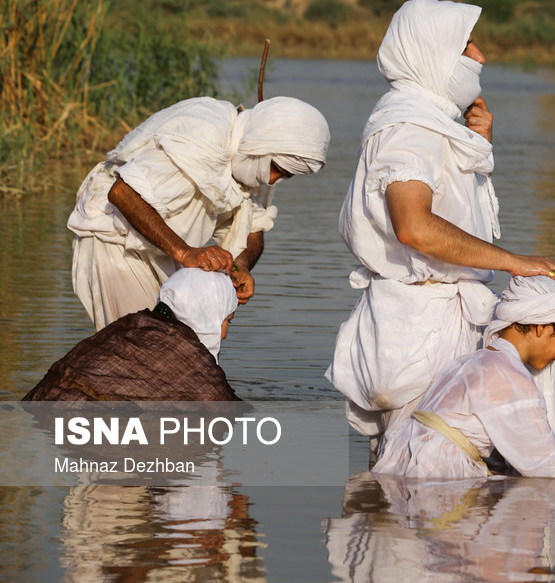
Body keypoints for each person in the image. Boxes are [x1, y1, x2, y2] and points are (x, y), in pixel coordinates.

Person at [326, 0, 555, 438]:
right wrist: (513, 262)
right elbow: (414, 226)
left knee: (420, 471)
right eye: (467, 45)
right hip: (421, 330)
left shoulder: (424, 123)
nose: (480, 56)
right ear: (431, 54)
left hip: (424, 320)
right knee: (424, 471)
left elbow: (444, 206)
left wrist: (476, 143)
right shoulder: (410, 129)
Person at [69, 95, 330, 329]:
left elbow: (253, 225)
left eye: (285, 176)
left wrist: (242, 266)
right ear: (261, 144)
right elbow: (123, 193)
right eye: (276, 169)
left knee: (170, 351)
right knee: (141, 351)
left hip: (163, 247)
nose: (272, 181)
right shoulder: (205, 133)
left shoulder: (254, 158)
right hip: (114, 238)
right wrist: (185, 253)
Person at [373, 275, 555, 480]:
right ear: (542, 327)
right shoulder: (510, 377)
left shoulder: (471, 360)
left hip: (401, 464)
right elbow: (546, 464)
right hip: (433, 476)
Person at [23, 268, 240, 401]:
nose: (225, 334)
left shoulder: (128, 326)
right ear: (207, 313)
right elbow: (225, 409)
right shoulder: (191, 361)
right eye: (227, 320)